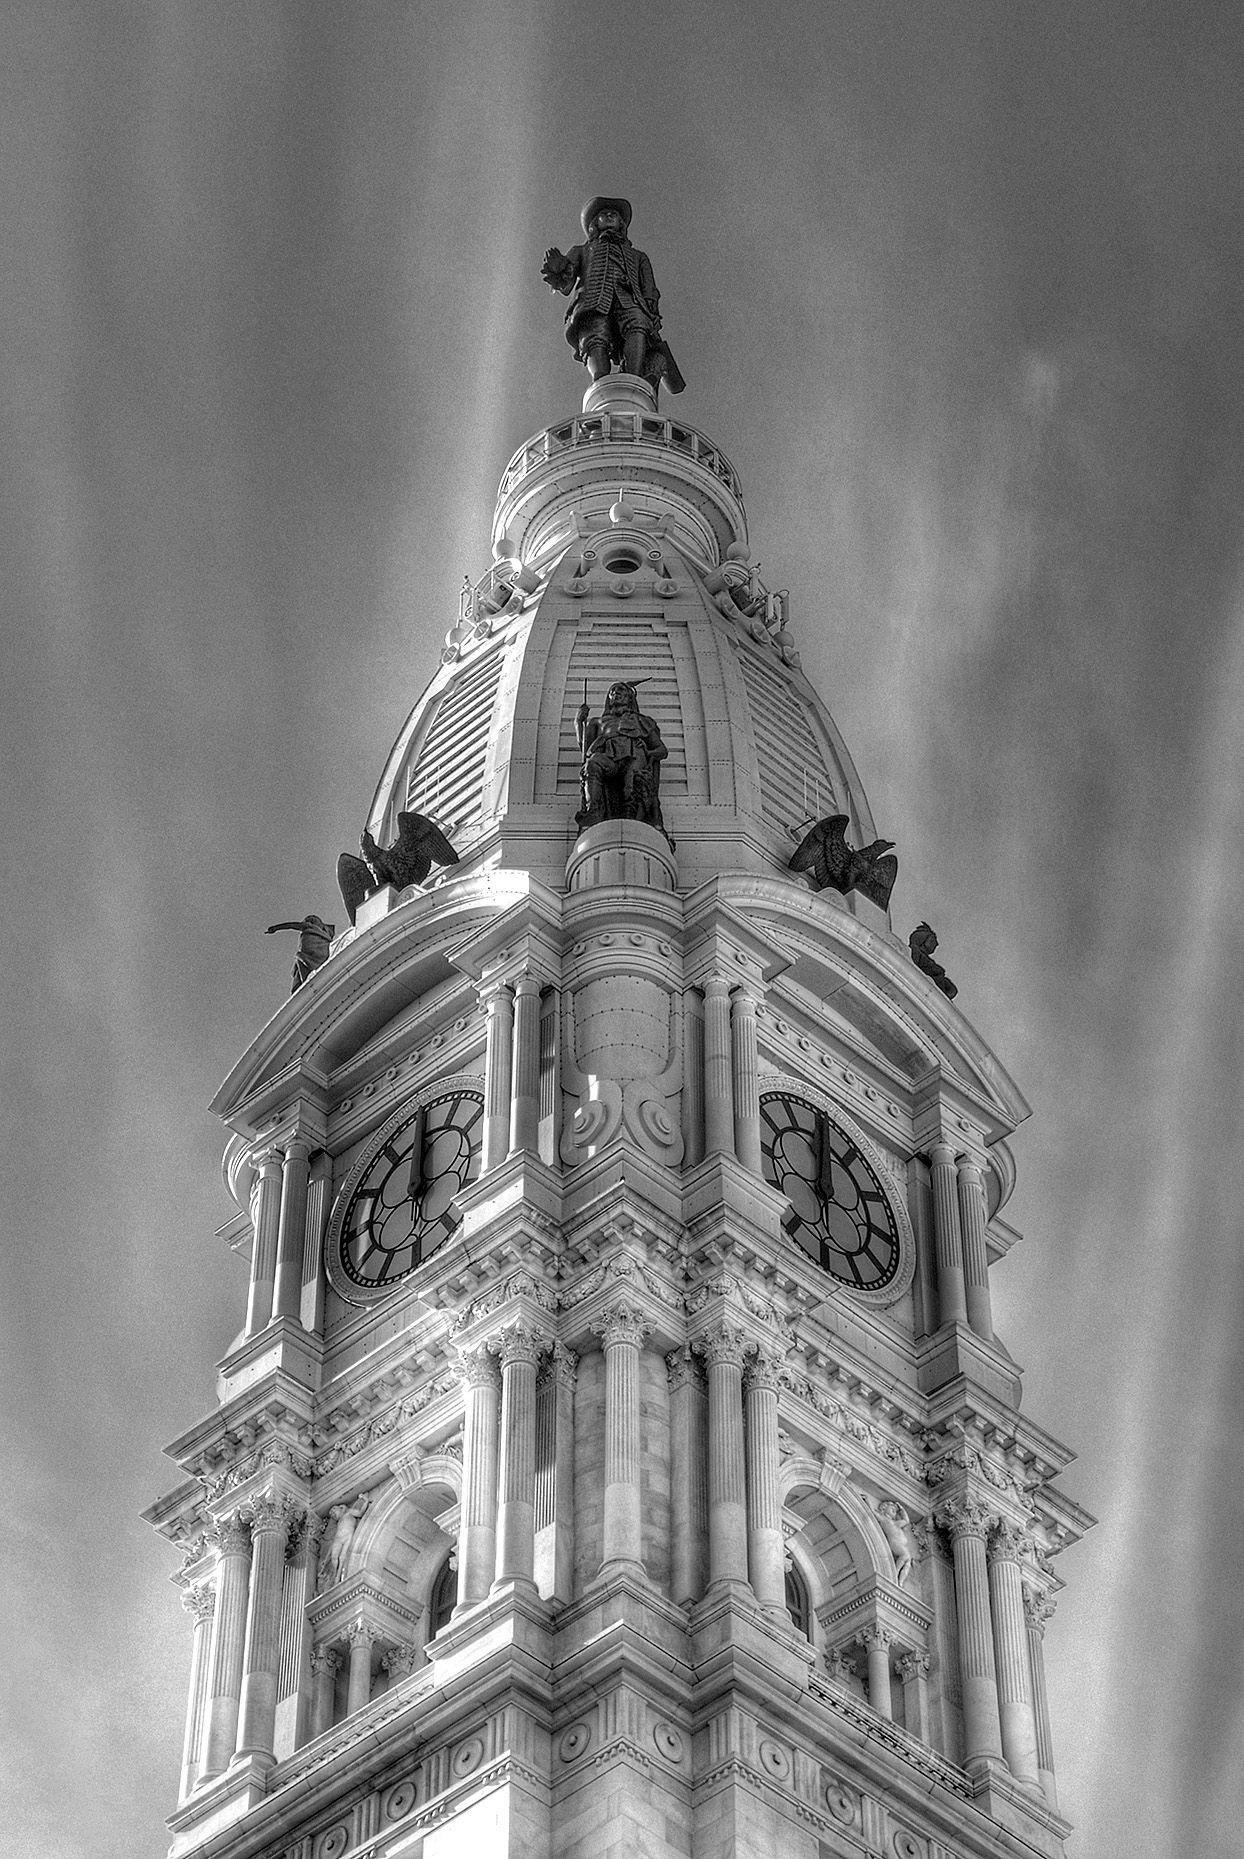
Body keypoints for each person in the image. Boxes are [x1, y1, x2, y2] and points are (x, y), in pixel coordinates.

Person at [542, 197, 685, 397]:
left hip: (629, 300)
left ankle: (634, 379)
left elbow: (649, 288)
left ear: (621, 224)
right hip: (593, 300)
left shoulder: (638, 256)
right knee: (594, 337)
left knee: (637, 324)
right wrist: (558, 268)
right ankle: (601, 387)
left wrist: (651, 310)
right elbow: (565, 284)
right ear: (594, 224)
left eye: (615, 215)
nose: (609, 216)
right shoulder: (582, 250)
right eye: (603, 214)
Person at [576, 681, 670, 839]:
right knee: (593, 763)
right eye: (612, 691)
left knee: (632, 783)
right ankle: (594, 812)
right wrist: (579, 722)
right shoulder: (597, 722)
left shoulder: (642, 721)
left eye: (620, 691)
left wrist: (648, 752)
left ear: (629, 698)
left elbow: (662, 750)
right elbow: (586, 750)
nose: (615, 693)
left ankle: (632, 823)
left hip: (634, 758)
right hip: (610, 760)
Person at [265, 914, 335, 992]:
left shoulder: (310, 926)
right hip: (316, 950)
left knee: (302, 962)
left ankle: (303, 985)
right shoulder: (325, 932)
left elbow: (292, 925)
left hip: (310, 949)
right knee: (302, 963)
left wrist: (275, 928)